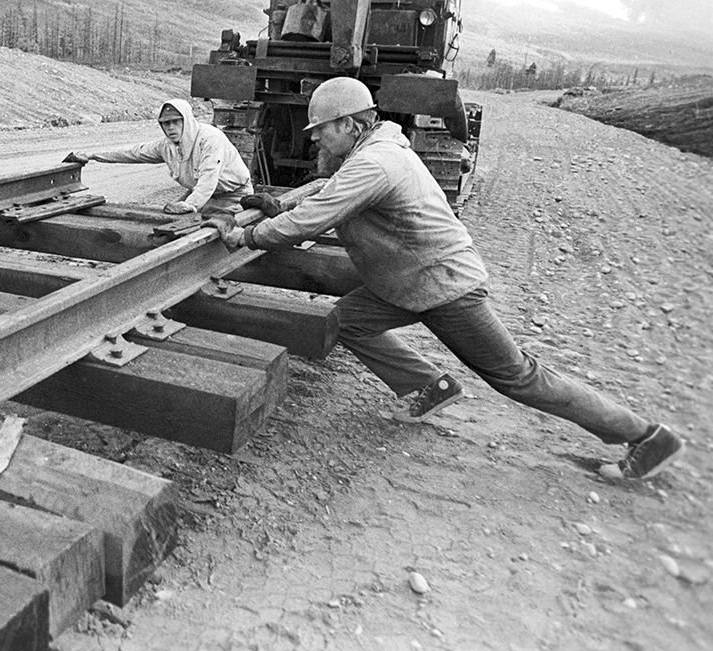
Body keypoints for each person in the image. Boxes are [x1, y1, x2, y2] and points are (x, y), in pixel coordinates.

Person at [204, 76, 684, 480]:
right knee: (347, 322)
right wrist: (276, 204)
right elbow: (324, 194)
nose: (314, 139)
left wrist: (246, 238)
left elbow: (312, 220)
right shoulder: (374, 151)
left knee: (518, 377)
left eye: (321, 130)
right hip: (406, 281)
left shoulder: (375, 163)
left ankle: (644, 436)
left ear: (351, 125)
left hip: (444, 287)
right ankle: (431, 385)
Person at [63, 98, 253, 215]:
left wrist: (191, 205)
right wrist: (91, 155)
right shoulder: (166, 146)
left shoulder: (210, 139)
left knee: (220, 233)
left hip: (233, 197)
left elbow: (208, 179)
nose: (170, 128)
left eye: (175, 122)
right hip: (201, 197)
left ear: (186, 120)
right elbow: (133, 152)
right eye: (165, 124)